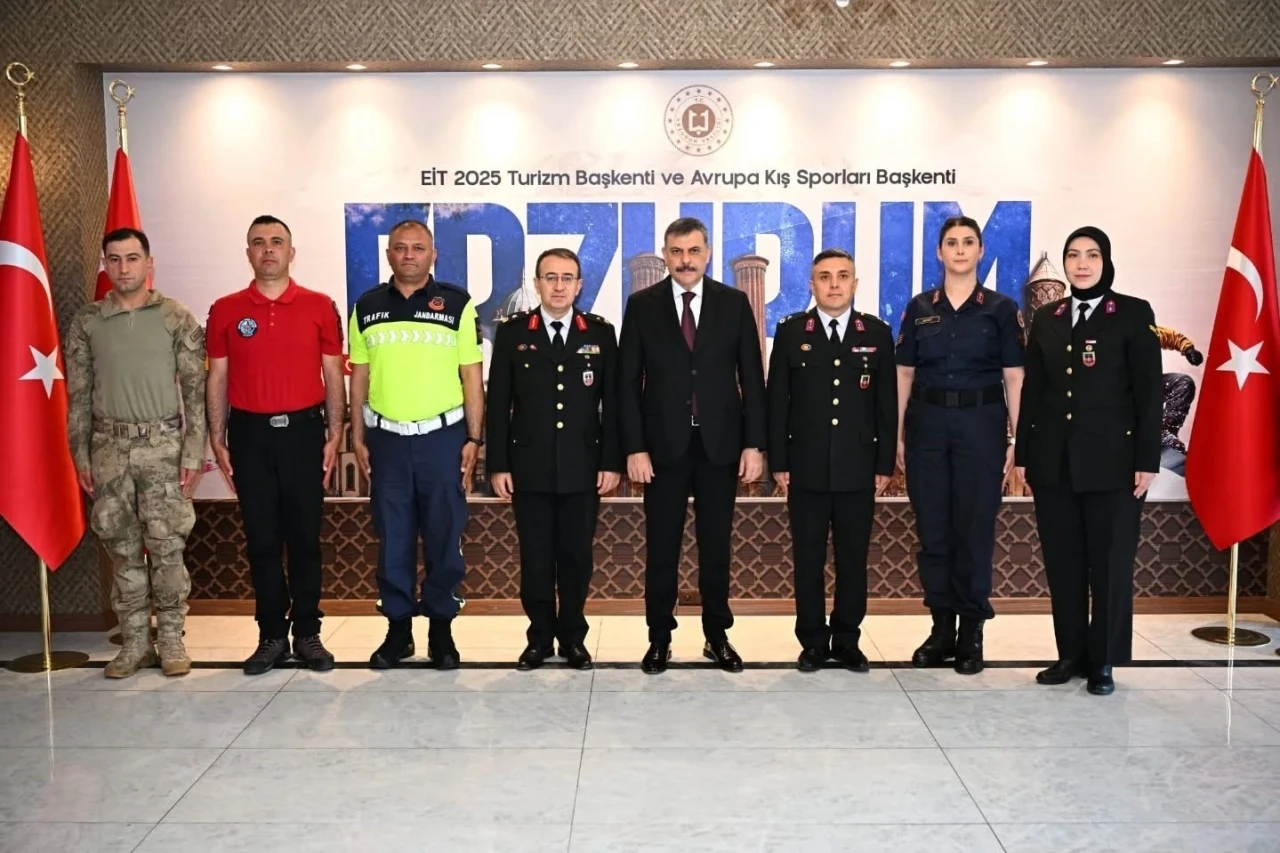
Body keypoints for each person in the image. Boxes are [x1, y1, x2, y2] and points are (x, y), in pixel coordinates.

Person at [1014, 226, 1161, 695]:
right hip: (1054, 462)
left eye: (1092, 255)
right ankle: (1070, 655)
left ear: (1106, 261)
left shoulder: (1133, 314)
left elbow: (1149, 392)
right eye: (1073, 255)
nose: (1082, 264)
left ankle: (1104, 661)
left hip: (1115, 464)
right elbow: (1034, 390)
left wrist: (1147, 458)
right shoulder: (1048, 317)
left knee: (1110, 565)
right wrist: (1023, 454)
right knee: (1065, 563)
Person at [618, 217, 767, 674]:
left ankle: (716, 635)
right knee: (662, 547)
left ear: (708, 253)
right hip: (661, 449)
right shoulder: (642, 305)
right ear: (666, 255)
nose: (686, 260)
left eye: (694, 251)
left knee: (715, 547)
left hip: (720, 446)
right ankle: (659, 638)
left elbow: (752, 377)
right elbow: (627, 383)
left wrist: (754, 444)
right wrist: (635, 448)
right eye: (677, 251)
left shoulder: (734, 303)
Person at [206, 215, 347, 675]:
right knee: (262, 539)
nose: (268, 249)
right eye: (259, 242)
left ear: (291, 252)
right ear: (248, 253)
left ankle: (307, 633)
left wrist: (336, 432)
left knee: (305, 539)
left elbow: (333, 373)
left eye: (276, 242)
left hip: (304, 434)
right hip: (249, 436)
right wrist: (216, 435)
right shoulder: (225, 309)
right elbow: (218, 376)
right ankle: (270, 636)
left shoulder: (319, 305)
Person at [65, 227, 206, 678]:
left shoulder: (174, 317)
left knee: (167, 547)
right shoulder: (88, 321)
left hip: (162, 446)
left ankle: (171, 639)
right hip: (108, 448)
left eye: (131, 258)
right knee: (122, 549)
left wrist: (193, 452)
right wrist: (81, 454)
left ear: (149, 263)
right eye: (114, 259)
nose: (123, 268)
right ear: (105, 264)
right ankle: (134, 643)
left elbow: (195, 392)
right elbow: (78, 396)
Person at [348, 219, 484, 670]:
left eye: (418, 248)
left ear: (433, 255)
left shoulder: (457, 304)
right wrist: (357, 434)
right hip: (386, 441)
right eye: (401, 247)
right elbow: (359, 376)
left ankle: (441, 630)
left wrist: (474, 438)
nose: (409, 255)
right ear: (389, 253)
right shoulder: (367, 306)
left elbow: (471, 375)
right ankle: (398, 631)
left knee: (445, 535)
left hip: (443, 440)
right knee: (393, 537)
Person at [895, 215, 1025, 675]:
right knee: (933, 531)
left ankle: (971, 630)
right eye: (952, 242)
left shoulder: (1001, 309)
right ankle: (941, 629)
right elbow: (904, 373)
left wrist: (1018, 440)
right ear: (939, 252)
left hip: (980, 427)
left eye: (969, 242)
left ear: (981, 250)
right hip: (927, 426)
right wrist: (897, 436)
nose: (960, 250)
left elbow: (1014, 377)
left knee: (973, 530)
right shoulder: (919, 307)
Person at [486, 248, 622, 671]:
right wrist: (498, 464)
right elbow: (499, 404)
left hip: (584, 466)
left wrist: (611, 461)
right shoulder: (513, 333)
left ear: (579, 286)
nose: (559, 286)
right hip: (529, 466)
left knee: (577, 557)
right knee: (536, 557)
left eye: (567, 278)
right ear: (537, 284)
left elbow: (614, 404)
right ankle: (540, 638)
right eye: (550, 277)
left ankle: (573, 638)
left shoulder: (599, 333)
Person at [768, 249, 896, 672]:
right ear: (812, 285)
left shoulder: (875, 333)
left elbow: (886, 405)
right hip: (804, 467)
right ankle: (812, 641)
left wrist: (884, 464)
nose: (834, 284)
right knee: (808, 559)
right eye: (825, 277)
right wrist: (779, 461)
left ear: (855, 284)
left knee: (852, 559)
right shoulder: (792, 332)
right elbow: (778, 403)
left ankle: (846, 639)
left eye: (843, 276)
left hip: (858, 467)